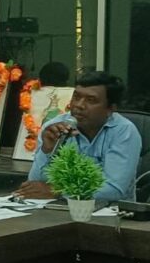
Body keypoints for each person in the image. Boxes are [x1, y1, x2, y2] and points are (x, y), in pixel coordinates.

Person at [17, 72, 141, 201]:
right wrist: (47, 151)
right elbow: (35, 185)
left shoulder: (124, 131)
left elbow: (114, 190)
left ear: (110, 109)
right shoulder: (55, 127)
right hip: (57, 208)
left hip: (111, 211)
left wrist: (58, 192)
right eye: (76, 97)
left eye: (90, 100)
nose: (79, 105)